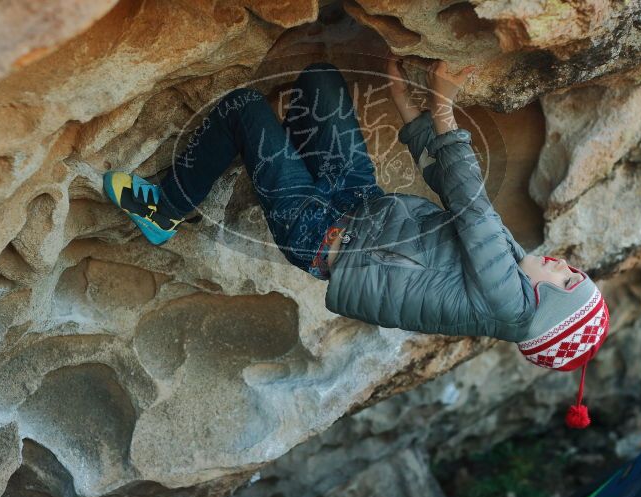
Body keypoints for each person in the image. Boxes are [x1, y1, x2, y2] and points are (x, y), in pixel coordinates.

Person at [103, 57, 609, 427]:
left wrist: (442, 106)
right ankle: (276, 148)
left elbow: (472, 201)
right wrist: (407, 109)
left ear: (547, 309)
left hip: (315, 232)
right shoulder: (512, 273)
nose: (562, 264)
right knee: (320, 79)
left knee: (243, 107)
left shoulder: (505, 302)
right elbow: (457, 197)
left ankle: (166, 207)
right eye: (573, 271)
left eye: (566, 279)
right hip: (355, 198)